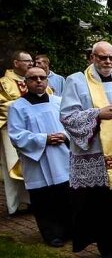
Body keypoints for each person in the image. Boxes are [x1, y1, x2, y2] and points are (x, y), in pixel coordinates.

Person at [60, 41, 112, 258]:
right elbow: (67, 115)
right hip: (97, 156)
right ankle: (108, 250)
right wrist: (98, 114)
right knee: (103, 207)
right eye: (102, 57)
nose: (107, 62)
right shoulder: (76, 81)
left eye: (111, 58)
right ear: (92, 58)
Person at [7, 66, 71, 246]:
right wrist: (44, 139)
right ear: (26, 82)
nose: (38, 81)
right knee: (44, 200)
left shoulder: (59, 102)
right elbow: (16, 135)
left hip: (61, 157)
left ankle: (68, 230)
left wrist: (64, 136)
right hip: (37, 160)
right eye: (33, 78)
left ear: (47, 80)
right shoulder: (17, 107)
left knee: (65, 195)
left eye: (42, 78)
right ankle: (51, 234)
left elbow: (70, 125)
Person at [0, 51, 35, 214]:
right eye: (27, 61)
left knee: (33, 165)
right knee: (13, 168)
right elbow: (3, 106)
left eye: (31, 61)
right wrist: (27, 107)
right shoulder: (3, 83)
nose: (31, 64)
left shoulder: (35, 79)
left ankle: (31, 202)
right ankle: (13, 206)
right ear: (15, 63)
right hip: (10, 130)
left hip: (35, 130)